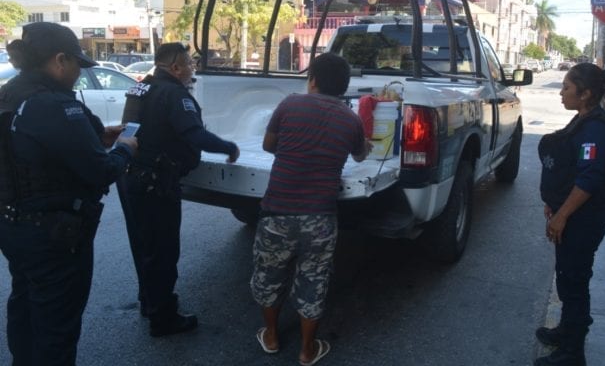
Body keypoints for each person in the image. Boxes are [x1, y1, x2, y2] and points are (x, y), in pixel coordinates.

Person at [0, 22, 137, 366]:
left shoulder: (10, 93)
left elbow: (34, 148)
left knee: (25, 306)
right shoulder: (54, 105)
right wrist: (124, 148)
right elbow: (101, 171)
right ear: (60, 60)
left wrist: (99, 137)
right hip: (54, 235)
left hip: (14, 226)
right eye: (77, 64)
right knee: (56, 328)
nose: (79, 74)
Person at [250, 52, 370, 366]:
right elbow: (360, 155)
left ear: (312, 80)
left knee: (269, 274)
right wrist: (364, 144)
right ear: (343, 86)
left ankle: (271, 336)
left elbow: (268, 145)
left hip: (277, 211)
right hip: (320, 216)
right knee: (314, 280)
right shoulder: (351, 119)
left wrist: (295, 150)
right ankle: (307, 350)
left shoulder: (289, 104)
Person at [117, 42, 240, 337]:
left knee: (144, 247)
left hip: (132, 176)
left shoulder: (141, 87)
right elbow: (194, 134)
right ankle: (164, 318)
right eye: (189, 64)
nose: (192, 69)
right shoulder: (173, 94)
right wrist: (228, 147)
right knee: (163, 251)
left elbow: (130, 128)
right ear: (175, 68)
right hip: (155, 183)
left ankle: (150, 302)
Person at [535, 63, 605, 366]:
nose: (561, 93)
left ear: (585, 94)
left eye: (566, 88)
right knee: (567, 278)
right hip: (575, 215)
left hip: (584, 219)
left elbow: (589, 179)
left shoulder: (597, 129)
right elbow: (569, 166)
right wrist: (555, 201)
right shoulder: (584, 120)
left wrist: (562, 215)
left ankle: (573, 353)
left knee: (574, 283)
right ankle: (566, 330)